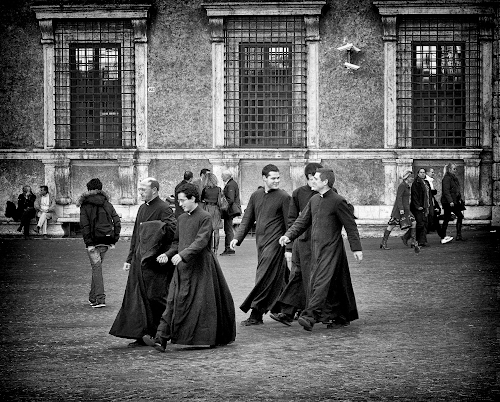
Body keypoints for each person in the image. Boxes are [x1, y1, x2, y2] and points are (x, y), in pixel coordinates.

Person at [142, 183, 236, 352]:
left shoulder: (205, 217)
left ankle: (210, 337)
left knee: (204, 304)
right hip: (182, 267)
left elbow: (201, 241)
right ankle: (160, 339)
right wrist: (168, 254)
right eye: (178, 201)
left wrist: (182, 255)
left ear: (193, 199)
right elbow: (177, 242)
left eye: (183, 200)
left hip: (201, 268)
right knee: (172, 300)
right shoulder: (181, 218)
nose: (180, 204)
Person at [279, 168, 363, 331]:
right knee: (335, 285)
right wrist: (289, 235)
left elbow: (350, 226)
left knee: (320, 282)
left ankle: (310, 316)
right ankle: (340, 316)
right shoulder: (314, 200)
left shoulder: (338, 201)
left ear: (325, 182)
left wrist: (356, 248)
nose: (313, 181)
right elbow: (302, 221)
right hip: (316, 249)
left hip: (332, 249)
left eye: (316, 179)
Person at [109, 178, 176, 347]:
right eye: (139, 190)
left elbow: (172, 232)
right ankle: (142, 333)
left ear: (154, 190)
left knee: (155, 297)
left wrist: (155, 232)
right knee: (138, 298)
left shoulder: (164, 208)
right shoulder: (141, 208)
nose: (140, 193)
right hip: (139, 260)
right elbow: (136, 235)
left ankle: (161, 332)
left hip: (155, 261)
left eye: (143, 190)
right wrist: (130, 258)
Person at [229, 164, 291, 326]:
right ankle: (287, 309)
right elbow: (248, 219)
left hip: (276, 244)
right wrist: (237, 238)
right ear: (264, 178)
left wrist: (289, 247)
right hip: (261, 244)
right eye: (273, 178)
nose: (276, 181)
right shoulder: (256, 195)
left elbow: (289, 223)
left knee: (263, 277)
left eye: (278, 178)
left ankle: (256, 314)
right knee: (279, 277)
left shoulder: (284, 197)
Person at [270, 162, 323, 326]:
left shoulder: (327, 194)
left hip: (319, 243)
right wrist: (289, 247)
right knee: (296, 276)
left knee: (314, 278)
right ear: (307, 178)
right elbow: (292, 220)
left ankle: (312, 313)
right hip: (301, 242)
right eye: (313, 178)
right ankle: (287, 313)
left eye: (318, 178)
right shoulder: (298, 193)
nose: (315, 181)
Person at [77, 178, 121, 308]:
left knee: (97, 268)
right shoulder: (107, 204)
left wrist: (89, 243)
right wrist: (114, 239)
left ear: (89, 189)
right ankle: (93, 297)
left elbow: (84, 225)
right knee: (97, 268)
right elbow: (117, 222)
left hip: (93, 241)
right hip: (106, 240)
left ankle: (100, 299)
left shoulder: (85, 205)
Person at [380, 171, 420, 253]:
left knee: (414, 222)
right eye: (411, 177)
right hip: (399, 210)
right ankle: (383, 242)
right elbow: (399, 197)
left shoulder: (407, 186)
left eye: (412, 177)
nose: (412, 179)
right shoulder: (402, 186)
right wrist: (401, 208)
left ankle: (413, 242)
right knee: (392, 225)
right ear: (407, 177)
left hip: (406, 210)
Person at [441, 162, 466, 241]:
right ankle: (443, 235)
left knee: (458, 216)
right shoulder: (447, 178)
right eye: (454, 169)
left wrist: (459, 199)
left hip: (454, 201)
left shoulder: (453, 178)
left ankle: (458, 235)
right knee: (447, 218)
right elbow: (446, 191)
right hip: (448, 202)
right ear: (449, 169)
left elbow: (456, 190)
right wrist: (450, 201)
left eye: (456, 169)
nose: (455, 170)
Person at [219, 170, 241, 256]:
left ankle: (229, 248)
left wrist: (224, 206)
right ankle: (229, 247)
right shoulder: (232, 183)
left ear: (227, 176)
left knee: (228, 229)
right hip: (230, 209)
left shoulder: (230, 185)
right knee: (228, 229)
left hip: (229, 210)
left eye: (222, 176)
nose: (221, 177)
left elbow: (230, 199)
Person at [201, 172, 223, 253]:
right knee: (216, 231)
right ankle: (216, 250)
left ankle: (209, 248)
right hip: (216, 209)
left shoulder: (205, 190)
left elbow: (202, 199)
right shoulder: (219, 189)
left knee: (208, 230)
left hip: (207, 209)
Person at [411, 168, 430, 247]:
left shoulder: (426, 182)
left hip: (424, 206)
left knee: (424, 223)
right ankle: (417, 241)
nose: (422, 174)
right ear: (418, 173)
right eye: (421, 172)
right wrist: (417, 206)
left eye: (424, 172)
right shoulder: (416, 183)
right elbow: (414, 195)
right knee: (420, 224)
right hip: (418, 207)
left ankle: (422, 241)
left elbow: (428, 195)